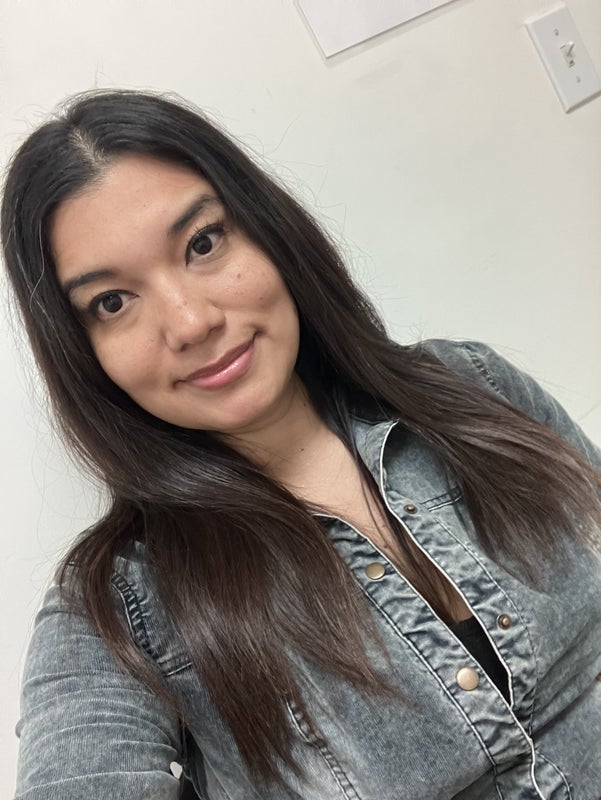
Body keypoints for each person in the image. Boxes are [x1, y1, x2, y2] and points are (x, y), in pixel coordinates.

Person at [2, 89, 600, 800]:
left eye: (203, 243)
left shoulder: (473, 385)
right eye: (112, 302)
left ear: (268, 232)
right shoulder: (117, 606)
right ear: (83, 352)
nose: (190, 322)